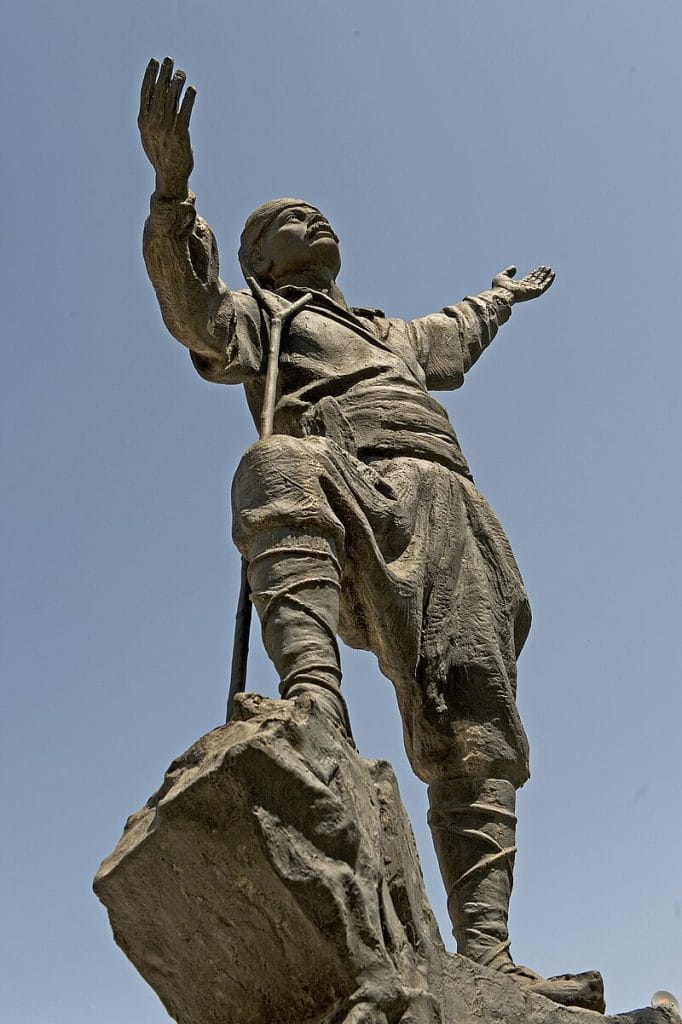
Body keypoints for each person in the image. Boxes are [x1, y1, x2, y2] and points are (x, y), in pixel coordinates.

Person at [138, 58, 602, 1011]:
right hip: (346, 485)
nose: (317, 220)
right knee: (274, 466)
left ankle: (489, 953)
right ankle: (314, 704)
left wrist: (501, 295)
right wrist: (173, 190)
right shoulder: (263, 316)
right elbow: (193, 310)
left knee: (474, 714)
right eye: (288, 218)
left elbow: (457, 332)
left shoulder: (391, 332)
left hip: (447, 504)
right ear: (262, 258)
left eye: (322, 213)